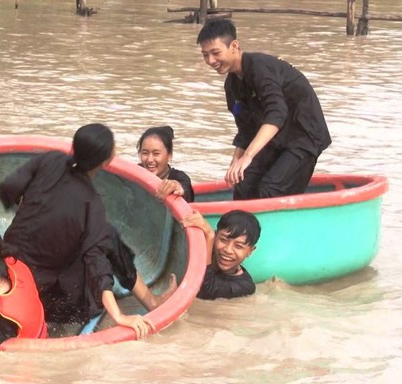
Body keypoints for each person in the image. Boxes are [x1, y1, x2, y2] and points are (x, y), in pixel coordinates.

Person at [0, 123, 172, 339]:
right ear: (106, 161)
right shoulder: (91, 203)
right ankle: (150, 300)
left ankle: (149, 299)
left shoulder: (50, 160)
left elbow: (7, 189)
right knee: (108, 236)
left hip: (4, 269)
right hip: (43, 297)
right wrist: (118, 315)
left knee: (99, 235)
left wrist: (35, 212)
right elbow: (97, 263)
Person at [197, 19, 332, 200]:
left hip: (304, 134)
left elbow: (277, 113)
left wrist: (248, 156)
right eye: (205, 55)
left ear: (234, 46)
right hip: (276, 137)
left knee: (270, 188)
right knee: (242, 184)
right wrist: (236, 161)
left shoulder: (261, 67)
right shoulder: (232, 85)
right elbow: (245, 130)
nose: (211, 61)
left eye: (215, 53)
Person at [181, 209, 260, 299]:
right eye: (223, 240)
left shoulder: (245, 287)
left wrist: (209, 236)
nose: (228, 250)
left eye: (238, 246)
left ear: (250, 251)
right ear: (216, 235)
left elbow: (203, 290)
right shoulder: (202, 248)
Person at [137, 126, 195, 203]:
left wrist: (176, 187)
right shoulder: (134, 174)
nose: (150, 159)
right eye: (145, 153)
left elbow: (186, 193)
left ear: (169, 155)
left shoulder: (180, 178)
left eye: (156, 153)